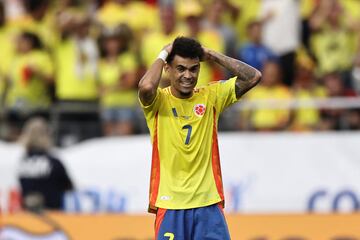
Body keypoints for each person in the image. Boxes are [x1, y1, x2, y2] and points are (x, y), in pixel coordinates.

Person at [138, 36, 261, 239]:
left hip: (207, 204)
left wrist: (212, 54)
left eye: (193, 69)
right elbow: (146, 87)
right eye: (181, 68)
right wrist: (163, 53)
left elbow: (253, 77)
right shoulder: (158, 102)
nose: (188, 75)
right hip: (171, 205)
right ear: (168, 69)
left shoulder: (211, 96)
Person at [18, 117, 74, 210]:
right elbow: (69, 186)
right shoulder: (53, 162)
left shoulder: (22, 162)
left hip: (27, 218)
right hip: (52, 216)